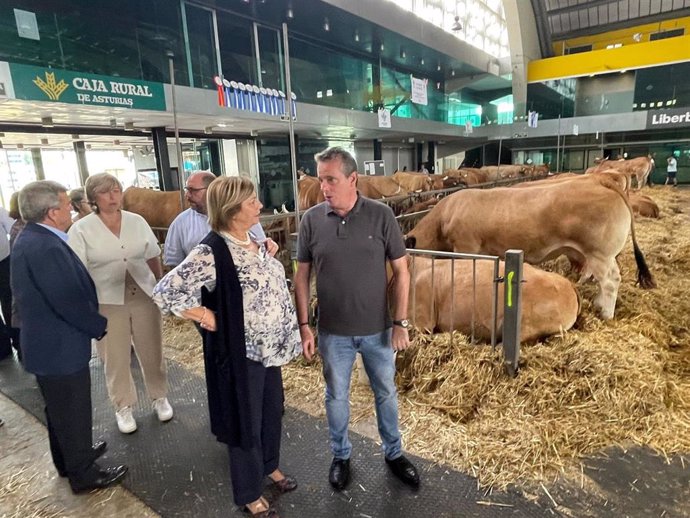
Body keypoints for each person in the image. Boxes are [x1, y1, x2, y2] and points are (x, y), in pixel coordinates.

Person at [153, 176, 301, 517]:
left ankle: (269, 465)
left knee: (271, 411)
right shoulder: (211, 251)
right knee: (244, 421)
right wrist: (206, 314)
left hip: (270, 352)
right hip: (241, 355)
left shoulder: (254, 240)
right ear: (233, 209)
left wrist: (267, 255)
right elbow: (165, 291)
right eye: (253, 202)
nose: (260, 206)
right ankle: (249, 493)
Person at [294, 146, 420, 491]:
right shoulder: (311, 220)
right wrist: (304, 325)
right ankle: (341, 456)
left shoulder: (381, 216)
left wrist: (400, 322)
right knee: (336, 396)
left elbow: (402, 271)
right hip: (332, 333)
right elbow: (301, 276)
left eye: (331, 180)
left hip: (379, 331)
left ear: (353, 179)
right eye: (321, 180)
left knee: (386, 393)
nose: (324, 187)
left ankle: (394, 454)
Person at [10, 180, 127, 493]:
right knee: (73, 409)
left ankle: (70, 458)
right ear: (51, 213)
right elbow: (65, 299)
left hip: (46, 344)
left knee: (60, 410)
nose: (71, 209)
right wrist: (97, 325)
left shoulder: (33, 237)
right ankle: (84, 474)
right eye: (66, 205)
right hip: (58, 346)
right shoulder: (45, 246)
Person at [68, 173, 172, 434]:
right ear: (93, 198)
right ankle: (123, 406)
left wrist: (159, 284)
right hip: (106, 299)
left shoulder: (137, 221)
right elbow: (77, 269)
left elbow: (152, 255)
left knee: (153, 348)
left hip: (143, 294)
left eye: (116, 190)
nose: (114, 196)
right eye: (106, 192)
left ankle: (159, 396)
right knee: (114, 354)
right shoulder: (81, 229)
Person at [164, 171, 273, 268]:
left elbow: (262, 248)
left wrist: (267, 246)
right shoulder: (183, 225)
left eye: (193, 190)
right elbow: (173, 267)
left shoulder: (247, 221)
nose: (187, 195)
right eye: (187, 190)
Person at [0, 203, 15, 361]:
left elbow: (12, 226)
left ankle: (5, 346)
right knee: (9, 301)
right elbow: (12, 227)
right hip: (3, 259)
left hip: (4, 261)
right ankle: (9, 343)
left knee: (9, 302)